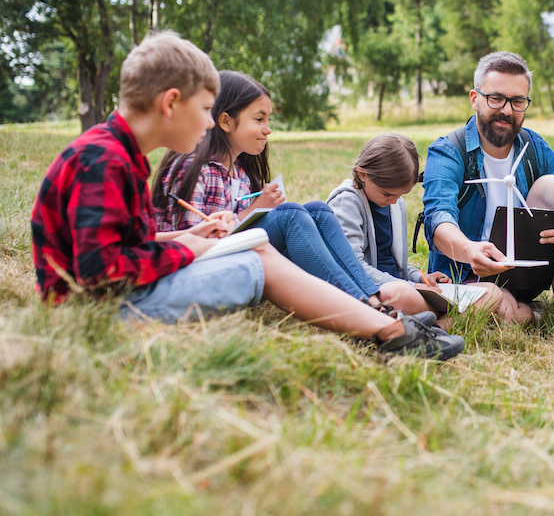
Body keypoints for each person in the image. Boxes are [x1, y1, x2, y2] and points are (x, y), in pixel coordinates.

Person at [31, 32, 463, 360]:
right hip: (99, 310)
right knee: (256, 258)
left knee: (257, 247)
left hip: (114, 296)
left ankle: (382, 323)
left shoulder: (117, 155)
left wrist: (190, 238)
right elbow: (99, 274)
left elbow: (124, 247)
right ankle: (386, 331)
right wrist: (190, 250)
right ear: (170, 103)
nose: (206, 124)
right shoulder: (104, 161)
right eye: (203, 110)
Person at [151, 71, 435, 318]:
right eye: (259, 119)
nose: (268, 129)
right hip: (196, 269)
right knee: (289, 216)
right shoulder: (196, 169)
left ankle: (372, 297)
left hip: (233, 253)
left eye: (268, 119)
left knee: (317, 210)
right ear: (226, 121)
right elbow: (194, 242)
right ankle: (365, 306)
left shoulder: (236, 172)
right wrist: (254, 210)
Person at [421, 51, 554, 323]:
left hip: (525, 272)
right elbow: (438, 219)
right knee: (505, 309)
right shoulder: (449, 151)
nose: (507, 110)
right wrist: (470, 250)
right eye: (496, 98)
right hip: (466, 275)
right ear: (475, 99)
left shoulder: (533, 146)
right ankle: (531, 312)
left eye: (517, 101)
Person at [326, 133, 502, 318]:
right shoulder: (346, 203)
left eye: (401, 195)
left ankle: (438, 323)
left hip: (405, 286)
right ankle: (441, 318)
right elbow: (351, 267)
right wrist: (409, 285)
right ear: (363, 175)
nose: (394, 201)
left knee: (492, 292)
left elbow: (395, 263)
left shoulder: (394, 204)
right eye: (387, 194)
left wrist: (420, 278)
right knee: (401, 296)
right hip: (375, 290)